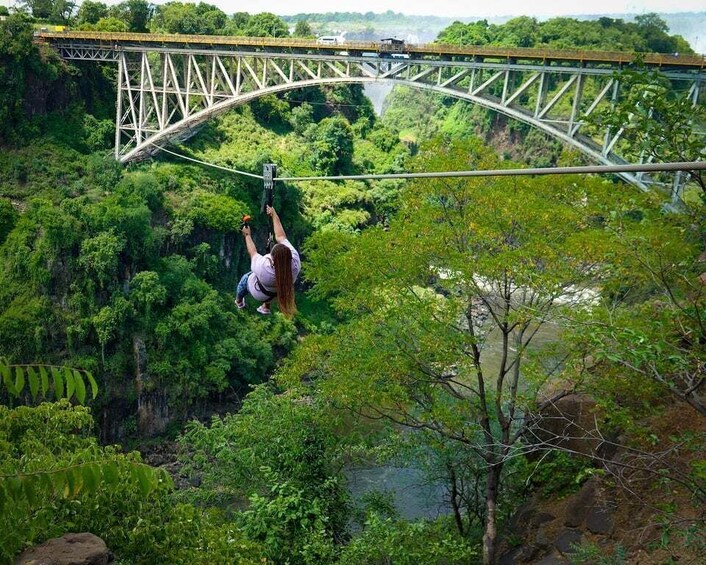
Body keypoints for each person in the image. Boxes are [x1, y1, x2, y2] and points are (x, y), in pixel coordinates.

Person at [235, 205, 300, 317]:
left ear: (273, 260)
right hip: (279, 294)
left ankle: (239, 301)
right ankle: (266, 307)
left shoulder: (264, 267)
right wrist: (274, 214)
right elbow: (281, 237)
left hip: (260, 294)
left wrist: (247, 235)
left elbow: (253, 253)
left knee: (246, 278)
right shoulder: (295, 261)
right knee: (273, 282)